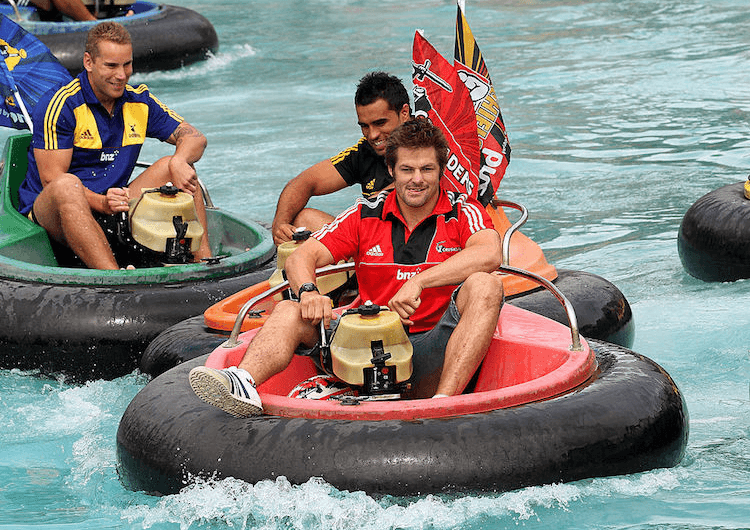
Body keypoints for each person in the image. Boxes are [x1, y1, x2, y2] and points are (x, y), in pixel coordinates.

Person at [189, 118, 505, 417]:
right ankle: (242, 383)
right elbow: (302, 257)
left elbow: (489, 254)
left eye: (427, 169)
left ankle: (444, 403)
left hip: (433, 343)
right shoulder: (363, 213)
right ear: (391, 169)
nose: (417, 179)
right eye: (407, 169)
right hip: (361, 341)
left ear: (441, 170)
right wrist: (308, 292)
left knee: (487, 285)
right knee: (289, 310)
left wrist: (420, 282)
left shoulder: (463, 210)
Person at [17, 21, 211, 269]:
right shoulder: (62, 104)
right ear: (89, 62)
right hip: (52, 214)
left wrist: (179, 160)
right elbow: (51, 179)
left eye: (126, 64)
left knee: (174, 168)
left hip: (115, 205)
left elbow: (194, 136)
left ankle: (205, 262)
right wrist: (100, 203)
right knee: (67, 185)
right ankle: (114, 279)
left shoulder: (139, 100)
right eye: (111, 66)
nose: (121, 75)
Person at [271, 70, 411, 245]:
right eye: (364, 126)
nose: (373, 135)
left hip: (421, 246)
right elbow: (303, 183)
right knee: (304, 219)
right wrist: (279, 226)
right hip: (372, 243)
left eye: (380, 123)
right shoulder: (365, 150)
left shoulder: (431, 146)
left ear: (404, 113)